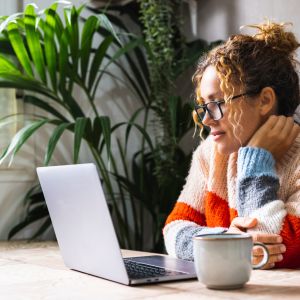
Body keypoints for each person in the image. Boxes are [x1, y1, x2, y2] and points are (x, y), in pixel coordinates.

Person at [163, 21, 300, 269]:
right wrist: (225, 241)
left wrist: (256, 160)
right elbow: (173, 229)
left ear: (265, 100)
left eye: (217, 103)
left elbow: (271, 252)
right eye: (204, 105)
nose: (205, 119)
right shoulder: (210, 154)